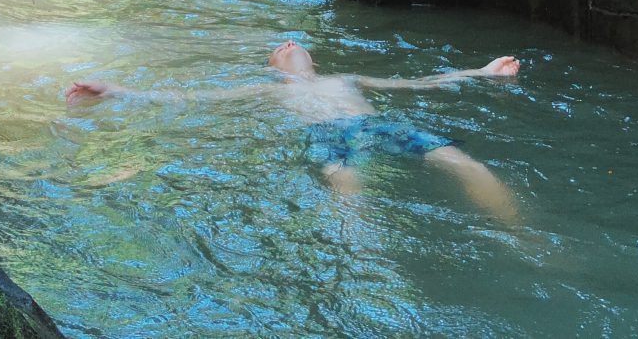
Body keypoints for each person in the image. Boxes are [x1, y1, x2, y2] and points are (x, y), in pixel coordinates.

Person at [67, 41, 522, 222]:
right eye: (277, 49)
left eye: (293, 43)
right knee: (348, 189)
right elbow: (189, 100)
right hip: (326, 134)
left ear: (313, 60)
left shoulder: (345, 79)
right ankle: (366, 260)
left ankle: (521, 231)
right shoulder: (270, 90)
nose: (287, 43)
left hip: (375, 124)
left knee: (461, 161)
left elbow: (420, 83)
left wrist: (482, 72)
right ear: (273, 67)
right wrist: (117, 90)